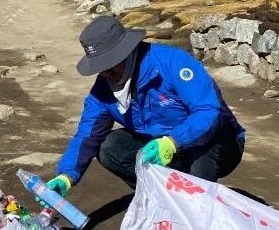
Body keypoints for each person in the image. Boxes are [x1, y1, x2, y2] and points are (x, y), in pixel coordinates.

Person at [45, 16, 246, 199]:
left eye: (111, 64)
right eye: (101, 68)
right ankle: (162, 195)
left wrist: (173, 141)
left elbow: (210, 112)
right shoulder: (103, 90)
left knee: (202, 151)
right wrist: (66, 176)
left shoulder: (173, 63)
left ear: (126, 51)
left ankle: (196, 207)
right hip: (161, 146)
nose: (108, 73)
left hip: (216, 142)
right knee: (110, 148)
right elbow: (86, 135)